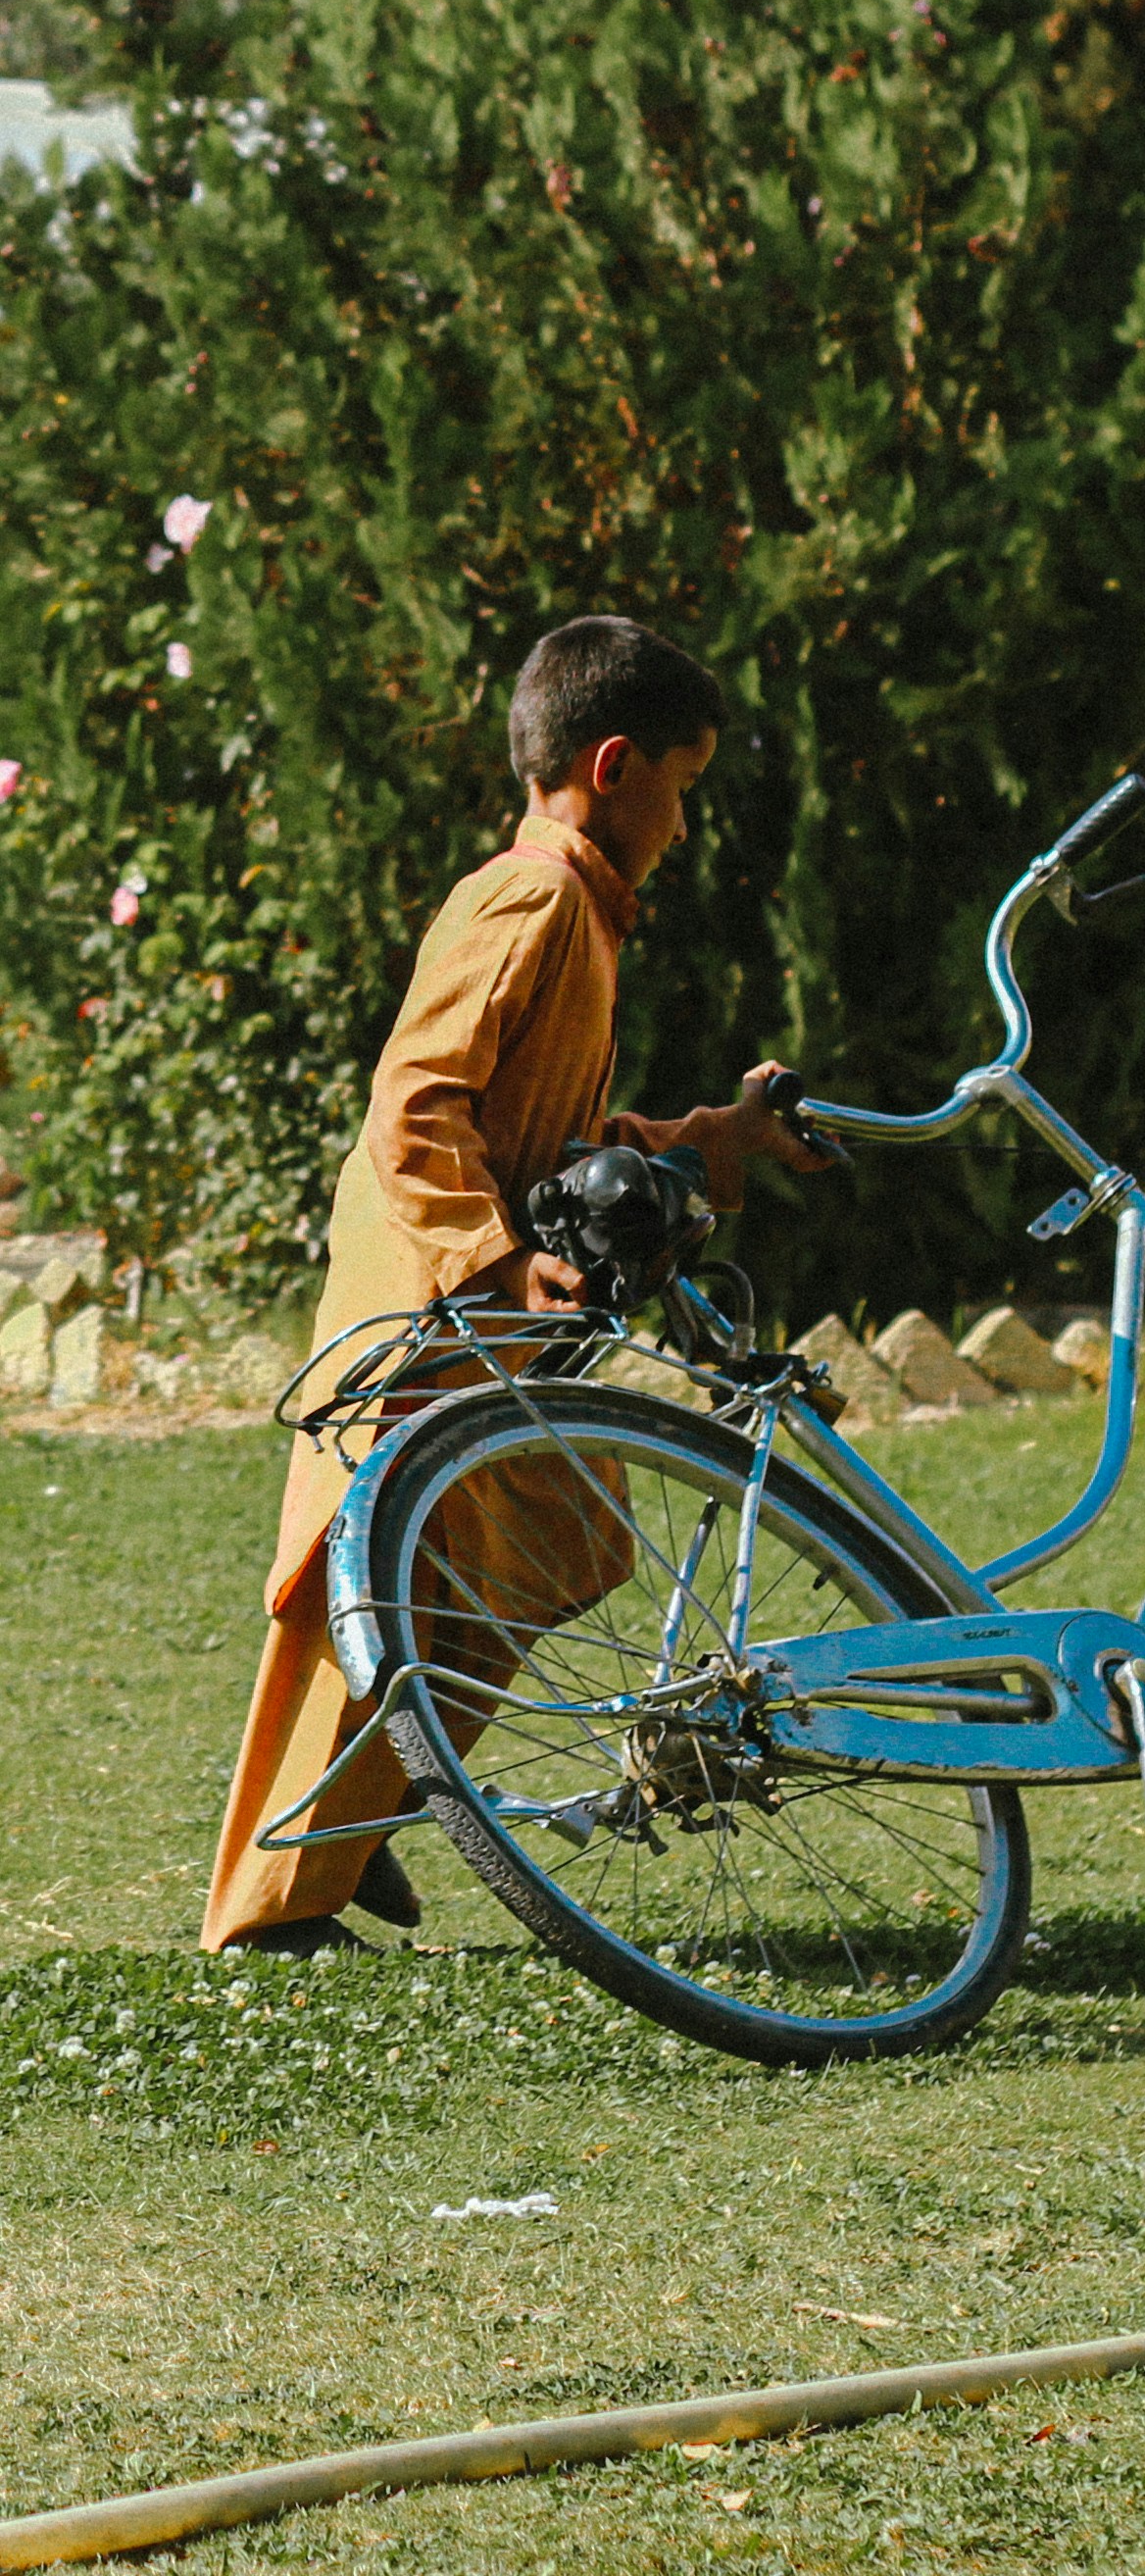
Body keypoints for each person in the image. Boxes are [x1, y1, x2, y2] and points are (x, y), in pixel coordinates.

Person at [201, 615, 821, 1956]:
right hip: (426, 1307)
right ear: (614, 765)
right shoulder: (530, 899)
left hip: (486, 1318)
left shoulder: (582, 913)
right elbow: (415, 1108)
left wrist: (717, 1135)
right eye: (685, 783)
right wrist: (493, 1258)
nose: (687, 820)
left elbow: (556, 1135)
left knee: (551, 1547)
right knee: (358, 1594)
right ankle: (271, 1909)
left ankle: (356, 1821)